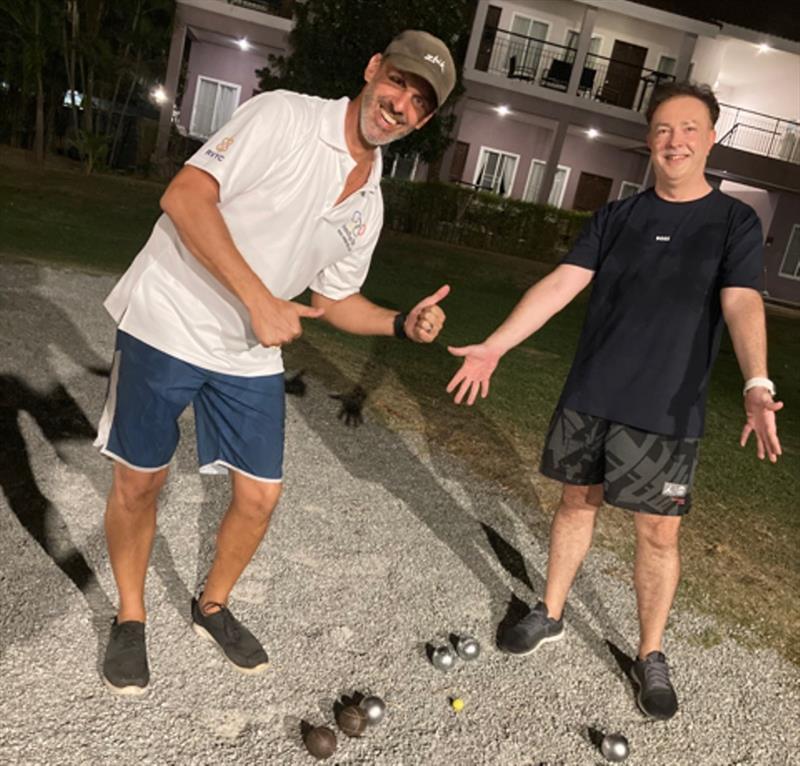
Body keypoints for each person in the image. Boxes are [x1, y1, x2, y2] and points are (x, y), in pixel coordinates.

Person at [94, 30, 456, 695]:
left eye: (419, 103)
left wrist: (399, 323)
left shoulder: (369, 199)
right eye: (398, 82)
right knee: (139, 483)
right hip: (169, 315)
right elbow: (184, 197)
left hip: (247, 347)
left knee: (259, 496)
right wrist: (259, 297)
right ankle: (131, 615)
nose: (400, 104)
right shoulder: (285, 115)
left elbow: (335, 298)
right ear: (374, 68)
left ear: (425, 121)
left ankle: (212, 606)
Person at [446, 81, 783, 720]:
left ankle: (650, 654)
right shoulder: (618, 217)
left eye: (688, 128)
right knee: (576, 503)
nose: (674, 140)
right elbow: (559, 284)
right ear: (649, 139)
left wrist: (756, 382)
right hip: (592, 394)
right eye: (662, 128)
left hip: (666, 409)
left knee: (658, 534)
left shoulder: (734, 223)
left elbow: (741, 301)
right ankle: (549, 613)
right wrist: (495, 346)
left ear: (711, 138)